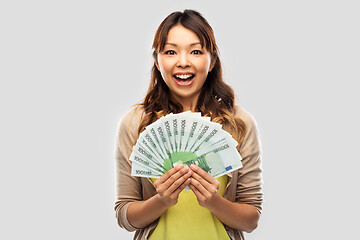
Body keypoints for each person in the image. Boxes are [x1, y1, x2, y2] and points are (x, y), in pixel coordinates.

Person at [114, 9, 263, 240]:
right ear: (157, 60)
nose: (183, 62)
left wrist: (214, 202)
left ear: (212, 60)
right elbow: (125, 216)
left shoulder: (239, 124)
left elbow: (252, 218)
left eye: (195, 51)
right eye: (171, 52)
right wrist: (161, 200)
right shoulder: (134, 123)